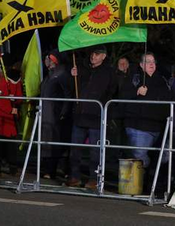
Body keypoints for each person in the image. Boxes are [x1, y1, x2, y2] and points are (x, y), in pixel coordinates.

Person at [66, 45, 117, 190]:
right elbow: (72, 89)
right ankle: (74, 176)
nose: (93, 56)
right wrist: (73, 77)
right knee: (75, 148)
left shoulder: (109, 72)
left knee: (95, 151)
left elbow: (112, 93)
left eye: (97, 54)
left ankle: (94, 179)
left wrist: (105, 111)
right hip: (80, 115)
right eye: (92, 53)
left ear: (104, 56)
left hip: (96, 117)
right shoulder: (82, 68)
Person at [121, 52, 170, 171]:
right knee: (140, 157)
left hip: (158, 126)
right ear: (141, 65)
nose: (151, 64)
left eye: (153, 62)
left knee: (162, 158)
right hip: (139, 126)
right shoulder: (134, 78)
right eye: (148, 62)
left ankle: (149, 180)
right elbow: (122, 95)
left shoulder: (162, 79)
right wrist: (136, 92)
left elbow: (170, 98)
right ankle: (138, 179)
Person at [40, 49, 74, 180]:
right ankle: (48, 169)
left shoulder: (62, 74)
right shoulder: (50, 75)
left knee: (55, 142)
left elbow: (68, 95)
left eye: (50, 59)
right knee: (47, 142)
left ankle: (55, 169)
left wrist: (63, 113)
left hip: (55, 114)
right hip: (47, 113)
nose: (47, 61)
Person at [0, 56, 23, 176]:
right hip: (1, 118)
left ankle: (9, 166)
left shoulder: (8, 81)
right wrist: (11, 109)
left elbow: (18, 97)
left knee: (8, 145)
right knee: (0, 144)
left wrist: (14, 103)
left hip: (6, 118)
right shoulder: (4, 81)